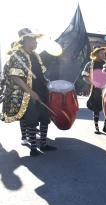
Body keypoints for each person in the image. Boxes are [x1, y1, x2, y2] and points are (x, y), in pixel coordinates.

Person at [1, 28, 56, 156]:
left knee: (44, 118)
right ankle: (33, 148)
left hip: (41, 91)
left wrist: (47, 82)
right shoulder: (17, 55)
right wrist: (31, 92)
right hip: (27, 93)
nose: (36, 42)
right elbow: (15, 77)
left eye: (36, 40)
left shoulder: (35, 55)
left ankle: (43, 143)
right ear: (25, 40)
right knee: (31, 120)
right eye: (33, 39)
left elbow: (40, 74)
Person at [82, 46, 106, 134]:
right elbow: (84, 76)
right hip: (96, 90)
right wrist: (92, 82)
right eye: (102, 53)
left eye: (104, 53)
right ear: (96, 54)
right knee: (96, 109)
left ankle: (105, 127)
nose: (104, 55)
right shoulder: (90, 64)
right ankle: (96, 128)